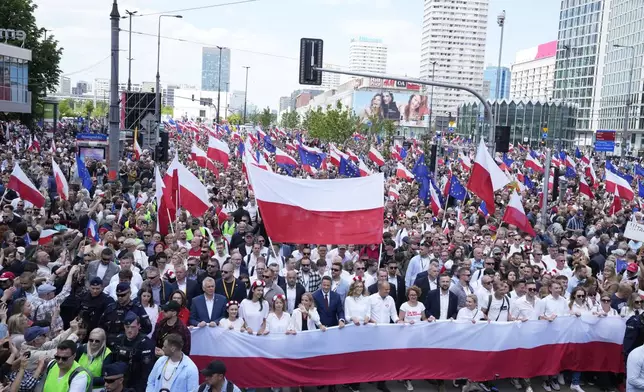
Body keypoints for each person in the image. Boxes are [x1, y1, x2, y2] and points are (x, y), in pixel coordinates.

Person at [109, 311, 156, 391]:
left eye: (133, 327)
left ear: (139, 326)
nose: (129, 330)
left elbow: (146, 373)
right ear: (124, 326)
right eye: (127, 327)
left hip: (137, 384)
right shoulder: (119, 340)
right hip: (120, 384)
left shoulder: (146, 343)